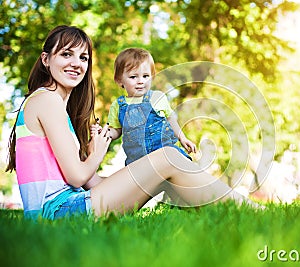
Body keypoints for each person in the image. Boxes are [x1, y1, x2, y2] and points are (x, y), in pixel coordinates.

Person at [6, 25, 262, 220]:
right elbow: (76, 177)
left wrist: (139, 176)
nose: (76, 63)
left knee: (163, 165)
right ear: (45, 59)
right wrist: (97, 152)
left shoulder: (53, 105)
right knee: (166, 158)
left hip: (71, 203)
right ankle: (249, 212)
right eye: (66, 54)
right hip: (58, 213)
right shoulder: (46, 100)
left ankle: (232, 215)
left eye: (83, 58)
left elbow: (89, 181)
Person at [94, 48, 196, 166]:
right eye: (133, 77)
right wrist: (104, 133)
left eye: (145, 76)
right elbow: (116, 130)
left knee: (183, 171)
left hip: (164, 154)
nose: (140, 81)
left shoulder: (157, 97)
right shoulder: (118, 105)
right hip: (137, 162)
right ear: (119, 80)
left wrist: (182, 138)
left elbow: (171, 119)